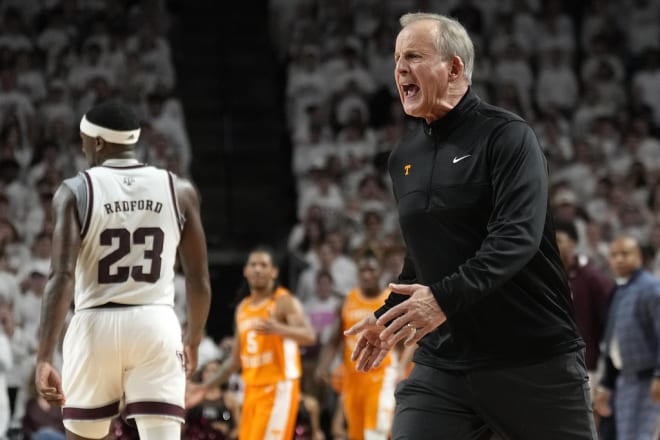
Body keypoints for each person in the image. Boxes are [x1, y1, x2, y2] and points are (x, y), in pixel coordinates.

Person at [344, 12, 596, 439]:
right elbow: (424, 255)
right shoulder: (403, 157)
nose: (399, 68)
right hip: (445, 365)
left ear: (455, 67)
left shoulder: (508, 137)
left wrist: (440, 300)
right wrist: (389, 318)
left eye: (414, 56)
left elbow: (516, 238)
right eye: (396, 58)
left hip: (531, 360)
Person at [34, 100, 212, 440]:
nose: (83, 146)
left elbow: (61, 277)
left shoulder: (74, 190)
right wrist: (193, 338)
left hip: (94, 325)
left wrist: (44, 356)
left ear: (98, 142)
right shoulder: (181, 190)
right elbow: (198, 280)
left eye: (84, 139)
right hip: (156, 324)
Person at [186, 247, 316, 440]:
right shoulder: (243, 309)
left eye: (264, 265)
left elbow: (309, 336)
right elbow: (234, 361)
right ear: (246, 271)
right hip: (252, 389)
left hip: (279, 387)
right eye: (253, 265)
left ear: (274, 272)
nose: (258, 269)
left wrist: (280, 329)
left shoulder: (283, 301)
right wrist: (205, 386)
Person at [315, 249, 397, 440]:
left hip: (381, 376)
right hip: (352, 378)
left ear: (381, 271)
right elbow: (335, 339)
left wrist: (401, 368)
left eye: (371, 270)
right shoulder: (347, 300)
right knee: (357, 435)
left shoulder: (390, 300)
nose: (367, 275)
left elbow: (406, 341)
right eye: (363, 271)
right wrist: (323, 366)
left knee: (375, 433)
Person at [593, 236, 660, 440]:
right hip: (624, 380)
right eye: (614, 255)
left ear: (639, 257)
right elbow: (613, 341)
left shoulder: (651, 288)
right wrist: (607, 384)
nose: (619, 259)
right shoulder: (619, 291)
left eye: (625, 254)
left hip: (647, 380)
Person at [554, 220, 613, 388]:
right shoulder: (548, 276)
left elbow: (608, 315)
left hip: (587, 363)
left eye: (558, 240)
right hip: (554, 361)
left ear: (573, 243)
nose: (553, 245)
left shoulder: (590, 276)